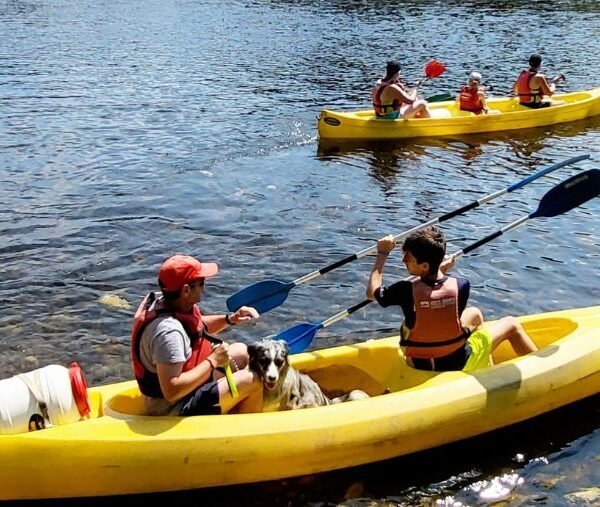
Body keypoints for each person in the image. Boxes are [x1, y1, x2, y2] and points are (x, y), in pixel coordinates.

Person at [365, 227, 538, 372]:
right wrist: (440, 270)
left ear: (425, 266)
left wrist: (382, 254)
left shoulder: (404, 290)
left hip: (418, 364)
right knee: (508, 323)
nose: (404, 261)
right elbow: (434, 295)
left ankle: (535, 370)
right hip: (456, 362)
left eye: (407, 257)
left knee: (475, 315)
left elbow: (372, 292)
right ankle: (487, 369)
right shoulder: (462, 285)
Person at [131, 254, 264, 416]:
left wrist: (231, 319)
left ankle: (235, 409)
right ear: (186, 290)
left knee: (242, 352)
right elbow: (172, 391)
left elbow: (197, 326)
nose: (204, 287)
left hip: (188, 391)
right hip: (172, 408)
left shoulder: (168, 302)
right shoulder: (168, 333)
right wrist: (213, 360)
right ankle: (246, 434)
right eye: (201, 283)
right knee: (253, 380)